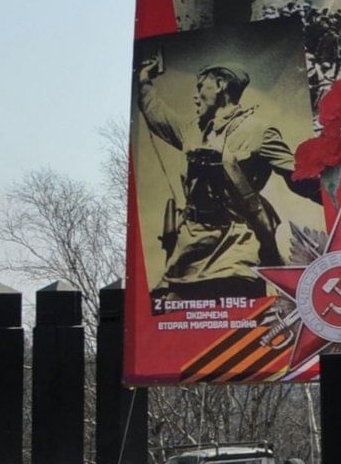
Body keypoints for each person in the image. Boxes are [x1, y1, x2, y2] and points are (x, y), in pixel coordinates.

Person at [137, 54, 320, 302]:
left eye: (200, 86)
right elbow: (155, 113)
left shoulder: (259, 131)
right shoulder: (191, 130)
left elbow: (299, 177)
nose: (195, 95)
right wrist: (144, 80)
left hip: (235, 249)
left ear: (221, 84)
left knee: (233, 324)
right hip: (189, 249)